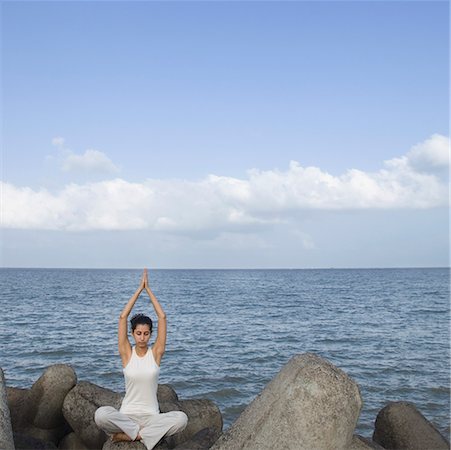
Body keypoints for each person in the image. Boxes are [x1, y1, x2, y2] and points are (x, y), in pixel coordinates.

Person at [94, 269, 188, 449]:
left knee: (181, 419)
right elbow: (122, 317)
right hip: (127, 415)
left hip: (151, 416)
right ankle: (141, 435)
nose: (142, 337)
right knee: (100, 415)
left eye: (146, 333)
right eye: (138, 333)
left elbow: (162, 317)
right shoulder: (127, 353)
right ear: (133, 334)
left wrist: (149, 290)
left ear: (151, 334)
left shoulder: (156, 353)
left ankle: (128, 436)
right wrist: (139, 290)